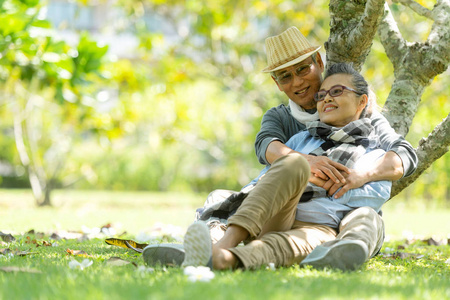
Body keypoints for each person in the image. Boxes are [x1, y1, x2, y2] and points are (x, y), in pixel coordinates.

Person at [142, 27, 417, 270]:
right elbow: (267, 147)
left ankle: (226, 257)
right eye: (285, 77)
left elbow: (402, 155)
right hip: (284, 204)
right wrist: (304, 164)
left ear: (318, 62)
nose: (297, 82)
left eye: (302, 70)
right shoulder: (287, 126)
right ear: (276, 83)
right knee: (247, 186)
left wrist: (358, 177)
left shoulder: (369, 126)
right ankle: (216, 243)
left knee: (363, 218)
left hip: (330, 221)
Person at [180, 62, 392, 270]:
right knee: (294, 163)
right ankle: (224, 242)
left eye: (337, 91)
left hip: (321, 228)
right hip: (281, 214)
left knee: (278, 247)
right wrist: (309, 176)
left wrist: (334, 185)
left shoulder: (375, 153)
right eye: (322, 94)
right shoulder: (301, 140)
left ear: (361, 102)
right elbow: (267, 176)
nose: (327, 97)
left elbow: (374, 196)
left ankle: (222, 258)